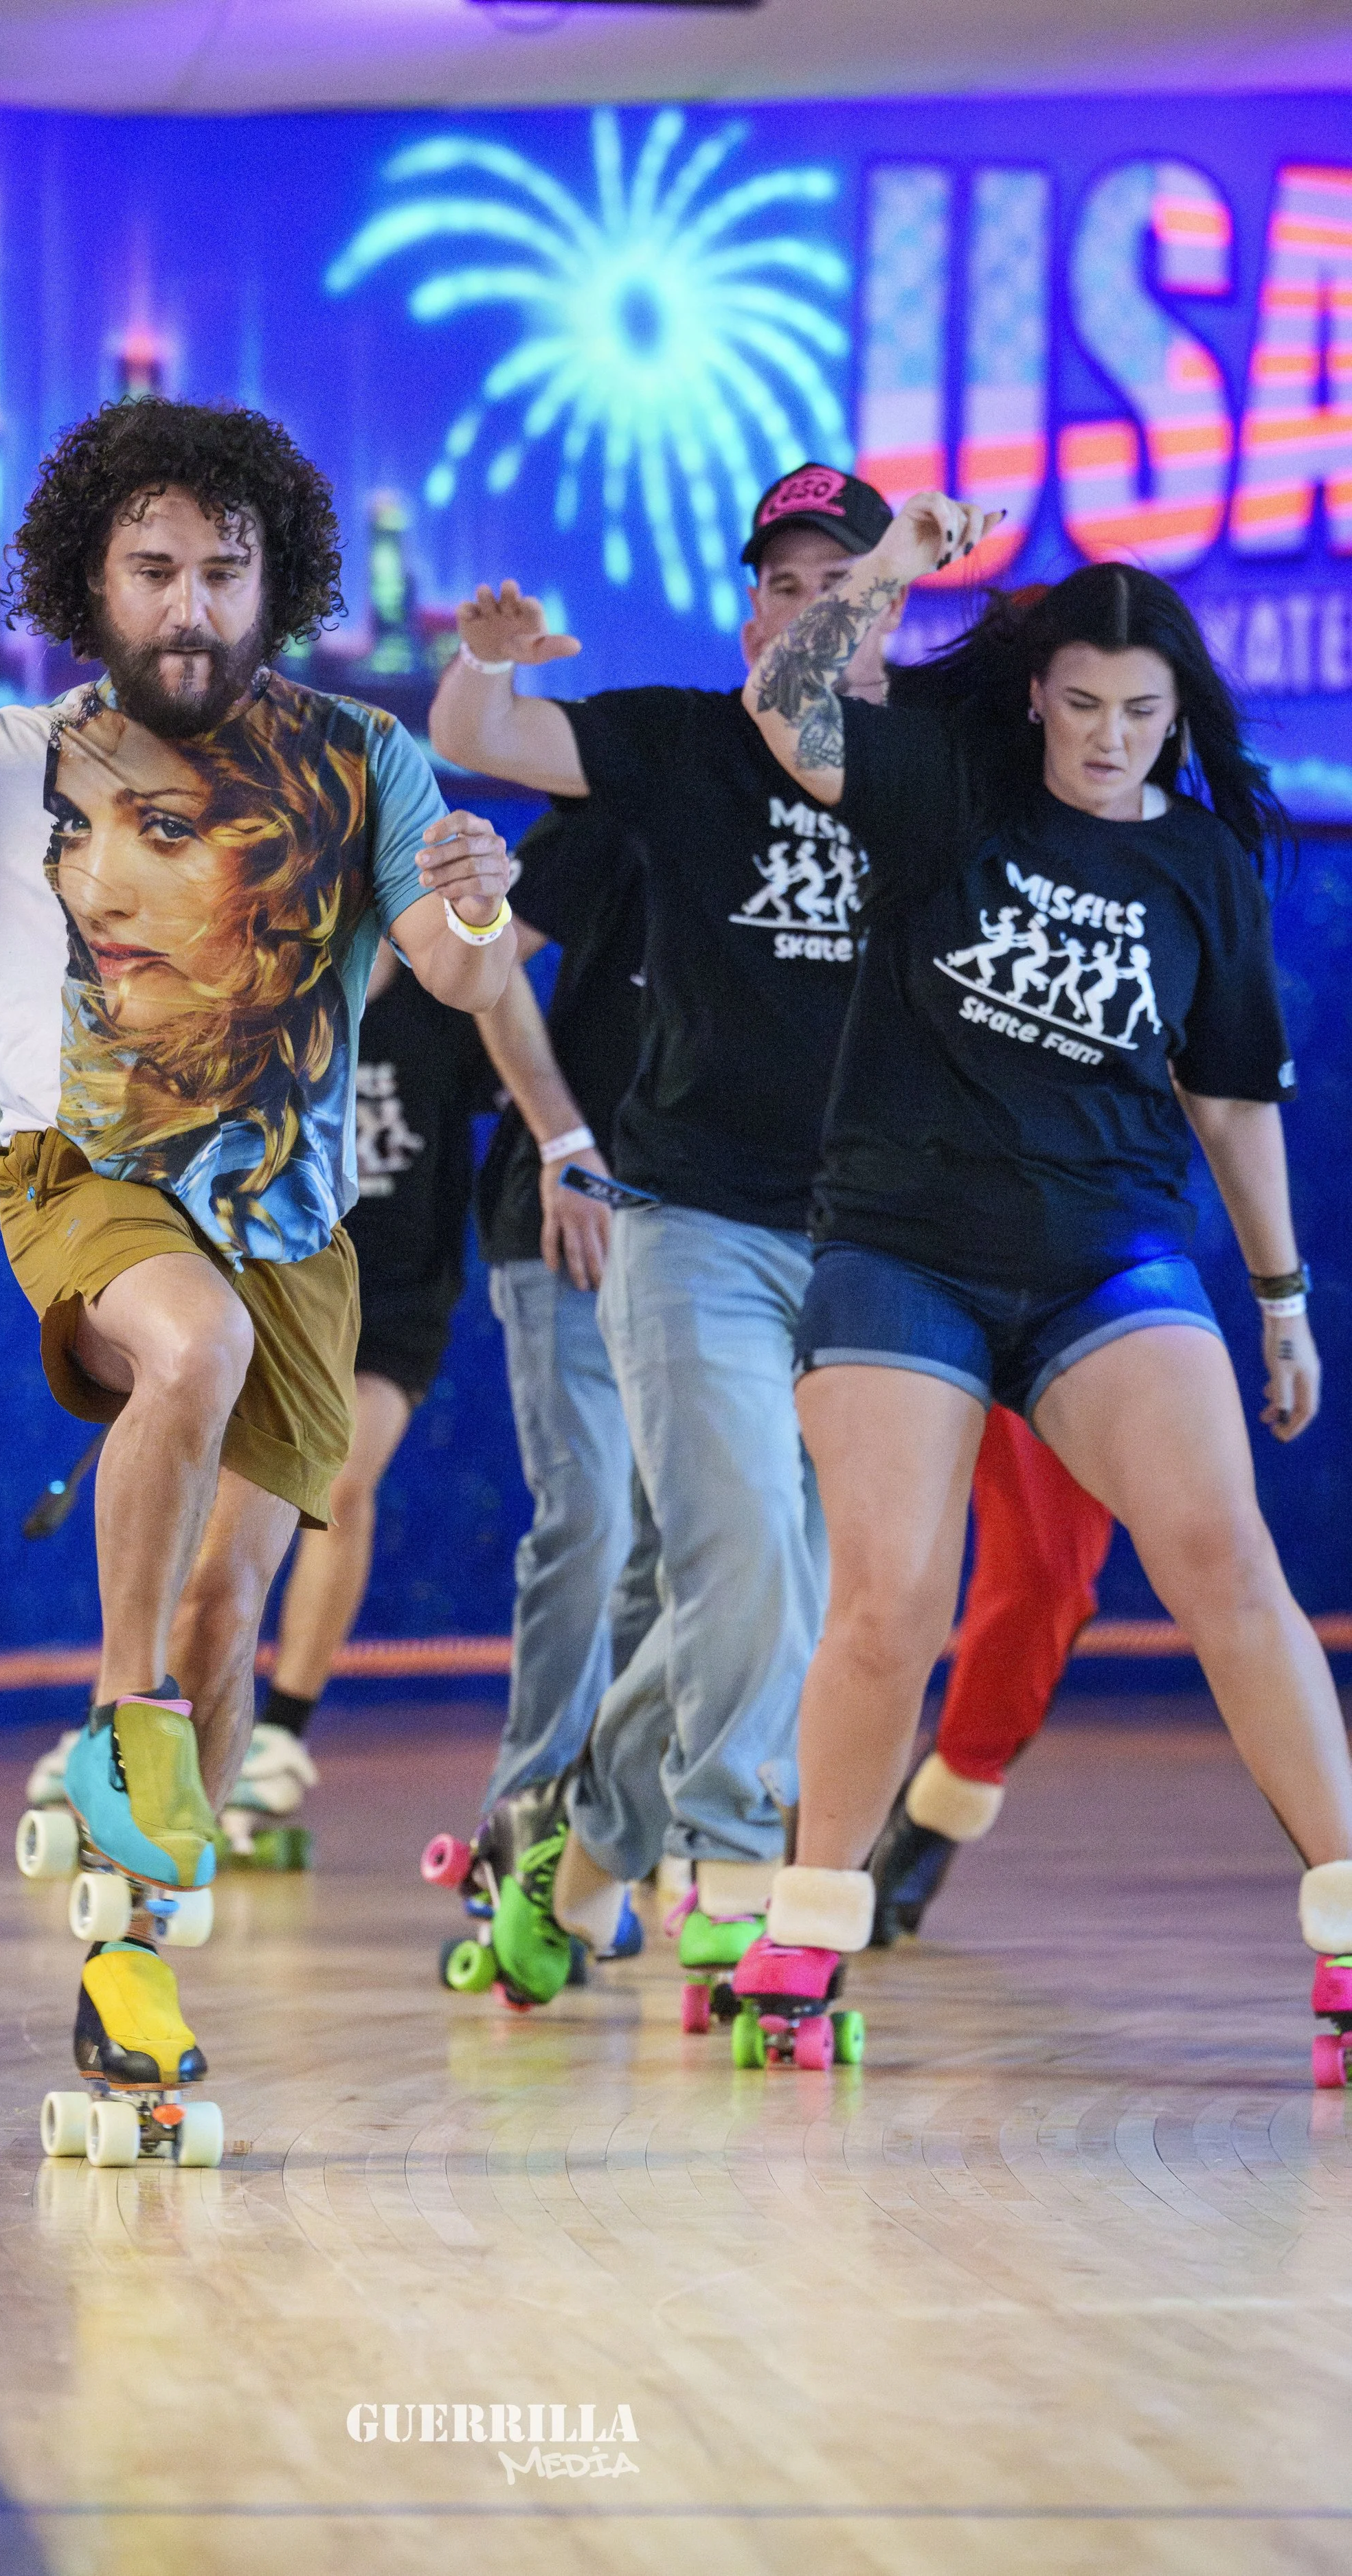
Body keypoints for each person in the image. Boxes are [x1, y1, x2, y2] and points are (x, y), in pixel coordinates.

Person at [0, 397, 515, 2112]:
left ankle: (131, 1953)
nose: (191, 606)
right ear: (93, 579)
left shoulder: (363, 762)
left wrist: (469, 896)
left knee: (237, 1605)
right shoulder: (13, 758)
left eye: (224, 572)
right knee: (190, 1348)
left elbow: (459, 981)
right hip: (83, 1178)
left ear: (272, 582)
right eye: (154, 568)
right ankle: (116, 1715)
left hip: (294, 1226)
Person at [739, 490, 1352, 2068]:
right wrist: (884, 569)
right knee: (895, 1597)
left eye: (1140, 714)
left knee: (1225, 1554)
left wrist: (1280, 1299)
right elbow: (782, 705)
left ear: (1174, 714)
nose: (1108, 738)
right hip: (901, 1248)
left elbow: (1229, 1099)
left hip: (1104, 1259)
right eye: (1081, 704)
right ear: (1032, 692)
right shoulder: (948, 782)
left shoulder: (1206, 863)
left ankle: (1348, 1936)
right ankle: (807, 1936)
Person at [427, 464, 899, 2003]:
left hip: (868, 1245)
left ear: (884, 613)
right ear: (745, 608)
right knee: (737, 1552)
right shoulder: (681, 744)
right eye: (782, 583)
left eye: (843, 584)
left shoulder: (929, 766)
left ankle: (566, 1873)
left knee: (766, 1594)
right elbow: (477, 743)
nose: (807, 607)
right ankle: (737, 1876)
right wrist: (485, 658)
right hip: (686, 1223)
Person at [228, 935, 499, 1853]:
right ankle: (161, 1707)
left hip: (399, 1303)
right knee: (236, 1493)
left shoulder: (445, 1008)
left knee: (341, 1482)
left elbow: (522, 1093)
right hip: (285, 1289)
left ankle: (282, 1733)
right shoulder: (277, 999)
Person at [472, 802, 662, 1814]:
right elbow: (481, 953)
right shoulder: (650, 787)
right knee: (591, 1516)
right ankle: (532, 1819)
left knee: (692, 1541)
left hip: (727, 1235)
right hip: (573, 1224)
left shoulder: (873, 811)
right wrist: (561, 1141)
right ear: (756, 633)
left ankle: (637, 1826)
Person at [869, 1405, 1114, 1943]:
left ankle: (935, 1806)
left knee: (1047, 1572)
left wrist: (1284, 1317)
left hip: (1079, 1324)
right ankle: (709, 1808)